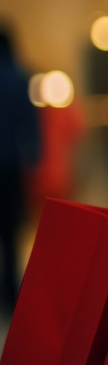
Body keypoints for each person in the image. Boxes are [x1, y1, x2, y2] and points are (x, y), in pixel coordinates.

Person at [0, 23, 41, 317]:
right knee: (10, 232)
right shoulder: (19, 77)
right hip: (11, 165)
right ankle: (9, 291)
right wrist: (35, 156)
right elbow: (31, 124)